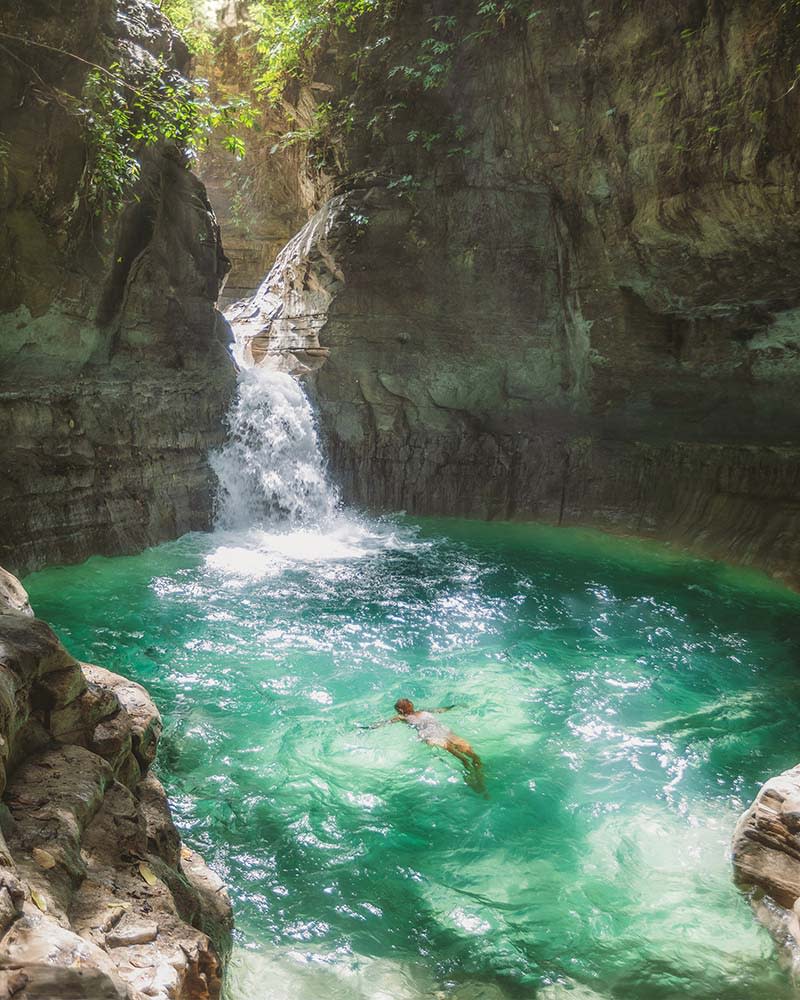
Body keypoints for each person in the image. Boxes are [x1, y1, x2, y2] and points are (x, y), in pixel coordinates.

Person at [367, 698, 486, 795]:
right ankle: (478, 783)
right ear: (407, 707)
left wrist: (455, 706)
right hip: (439, 735)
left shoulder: (412, 714)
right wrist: (455, 705)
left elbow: (441, 710)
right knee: (469, 758)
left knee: (468, 758)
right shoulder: (413, 714)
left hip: (439, 735)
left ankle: (478, 782)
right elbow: (442, 710)